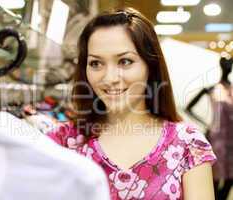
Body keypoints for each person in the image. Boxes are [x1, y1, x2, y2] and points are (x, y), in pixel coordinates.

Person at [48, 7, 216, 200]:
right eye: (96, 63)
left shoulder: (188, 144)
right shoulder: (60, 142)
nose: (109, 78)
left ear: (150, 65)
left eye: (125, 61)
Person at [186, 57, 233, 200]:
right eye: (226, 65)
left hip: (232, 140)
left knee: (230, 177)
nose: (229, 67)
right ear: (222, 66)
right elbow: (189, 107)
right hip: (216, 138)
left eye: (230, 65)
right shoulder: (212, 89)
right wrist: (206, 124)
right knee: (215, 177)